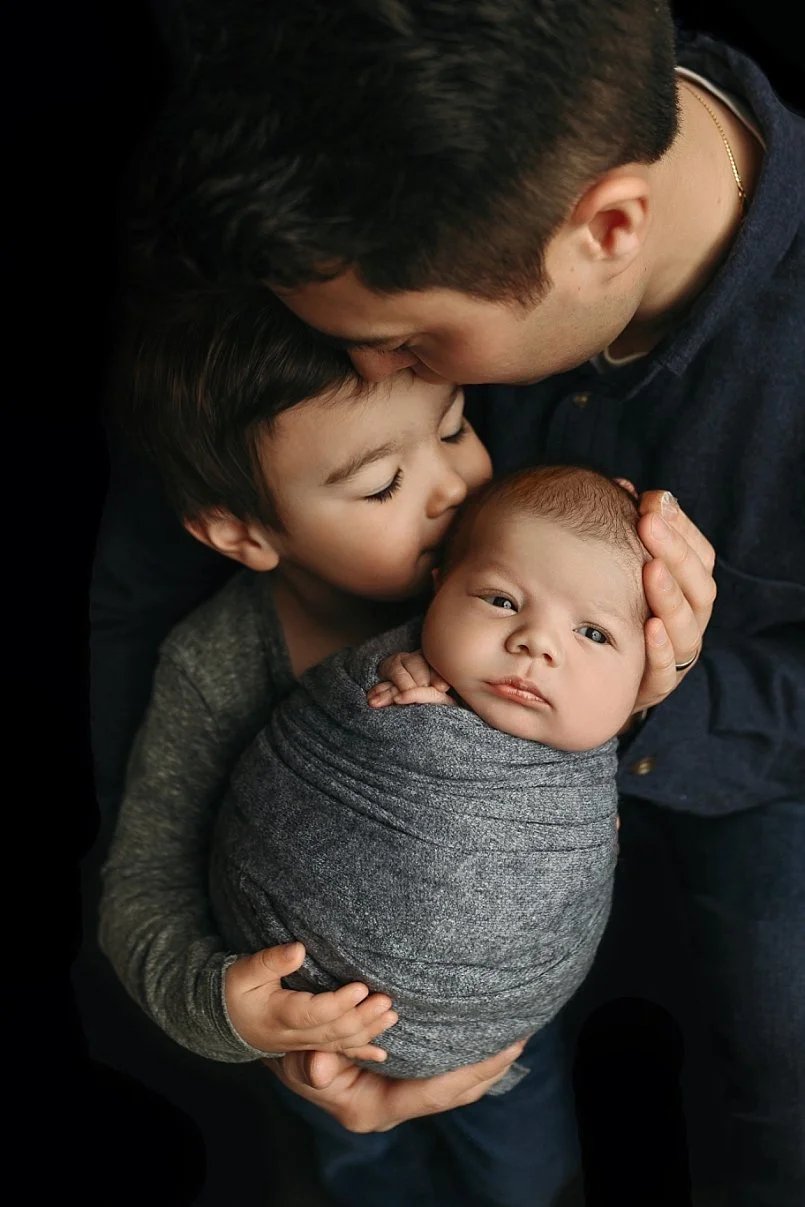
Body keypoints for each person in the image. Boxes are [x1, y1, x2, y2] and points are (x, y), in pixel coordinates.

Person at [90, 1, 804, 1202]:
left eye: (417, 353)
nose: (372, 375)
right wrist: (252, 988)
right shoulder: (336, 164)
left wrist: (638, 698)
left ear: (608, 229)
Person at [209, 465, 645, 1087]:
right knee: (349, 1164)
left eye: (593, 632)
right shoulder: (387, 680)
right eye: (501, 600)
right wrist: (404, 701)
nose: (535, 642)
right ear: (439, 591)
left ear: (646, 679)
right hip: (301, 1011)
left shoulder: (585, 756)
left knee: (512, 1157)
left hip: (493, 1032)